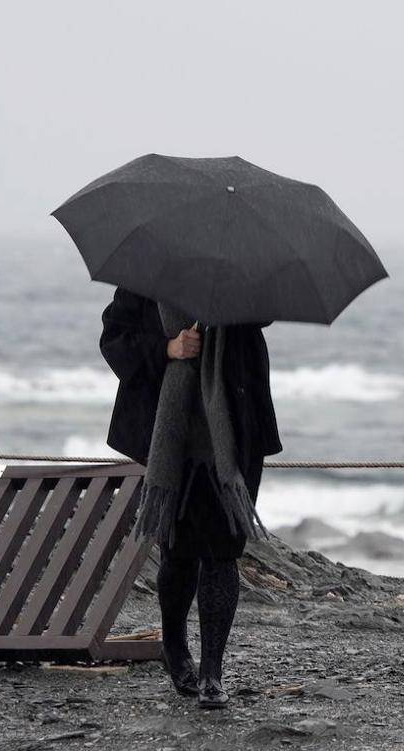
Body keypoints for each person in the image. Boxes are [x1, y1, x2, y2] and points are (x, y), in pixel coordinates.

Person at [100, 288, 280, 709]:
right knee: (177, 549)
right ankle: (175, 648)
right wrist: (169, 348)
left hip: (234, 430)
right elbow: (114, 342)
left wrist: (230, 300)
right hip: (168, 433)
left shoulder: (241, 274)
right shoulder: (144, 274)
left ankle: (212, 672)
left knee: (223, 549)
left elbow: (265, 314)